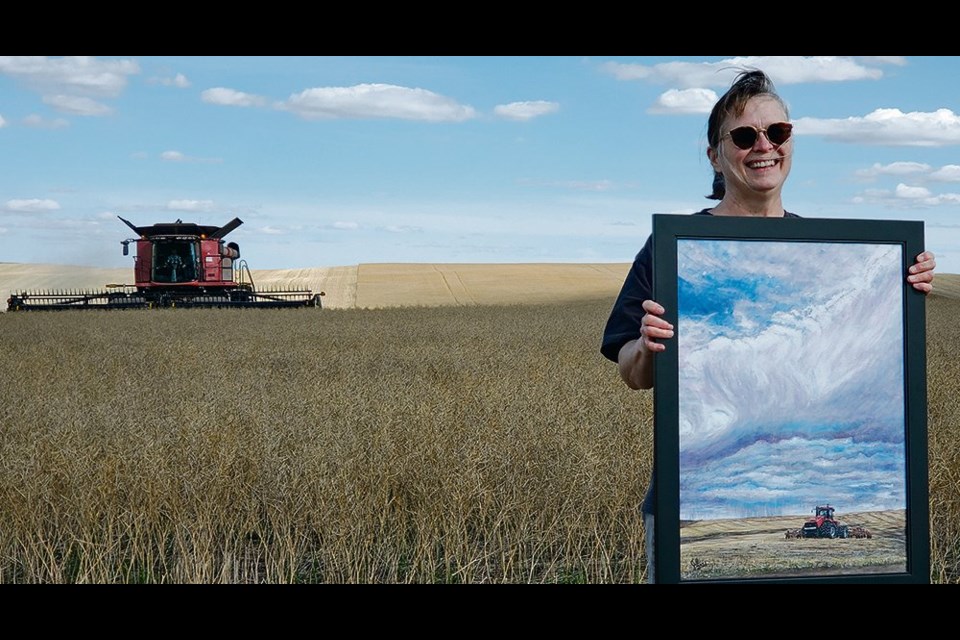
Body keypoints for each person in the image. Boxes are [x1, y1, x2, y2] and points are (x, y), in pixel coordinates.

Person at [600, 69, 937, 583]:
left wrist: (904, 283)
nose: (764, 146)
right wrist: (647, 347)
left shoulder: (840, 255)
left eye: (777, 132)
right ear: (715, 155)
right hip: (681, 500)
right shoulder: (671, 251)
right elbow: (631, 371)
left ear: (790, 140)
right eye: (744, 135)